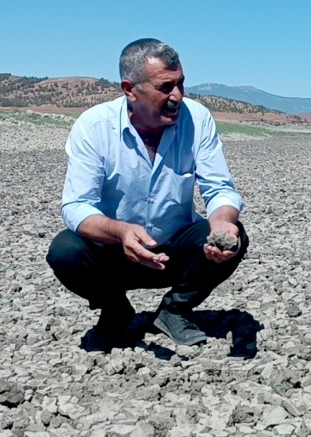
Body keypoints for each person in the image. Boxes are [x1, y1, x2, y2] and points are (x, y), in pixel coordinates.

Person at [46, 38, 248, 351]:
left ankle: (174, 311)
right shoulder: (94, 127)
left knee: (236, 235)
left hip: (174, 250)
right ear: (130, 89)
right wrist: (120, 231)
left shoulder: (198, 119)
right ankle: (116, 313)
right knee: (65, 251)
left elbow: (219, 187)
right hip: (114, 253)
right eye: (165, 87)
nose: (177, 96)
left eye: (181, 84)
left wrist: (223, 222)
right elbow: (76, 206)